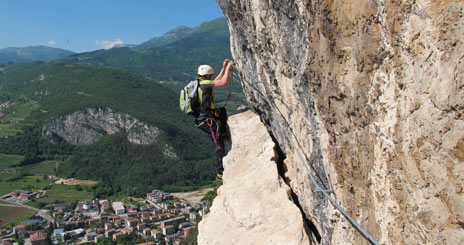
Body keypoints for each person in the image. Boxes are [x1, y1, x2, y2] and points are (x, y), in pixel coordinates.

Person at [195, 59, 234, 181]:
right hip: (206, 120)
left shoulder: (201, 83)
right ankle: (220, 172)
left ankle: (222, 132)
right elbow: (223, 83)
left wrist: (223, 68)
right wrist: (229, 67)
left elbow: (215, 81)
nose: (212, 77)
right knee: (219, 145)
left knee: (222, 111)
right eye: (211, 75)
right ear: (207, 75)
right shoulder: (205, 85)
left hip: (205, 117)